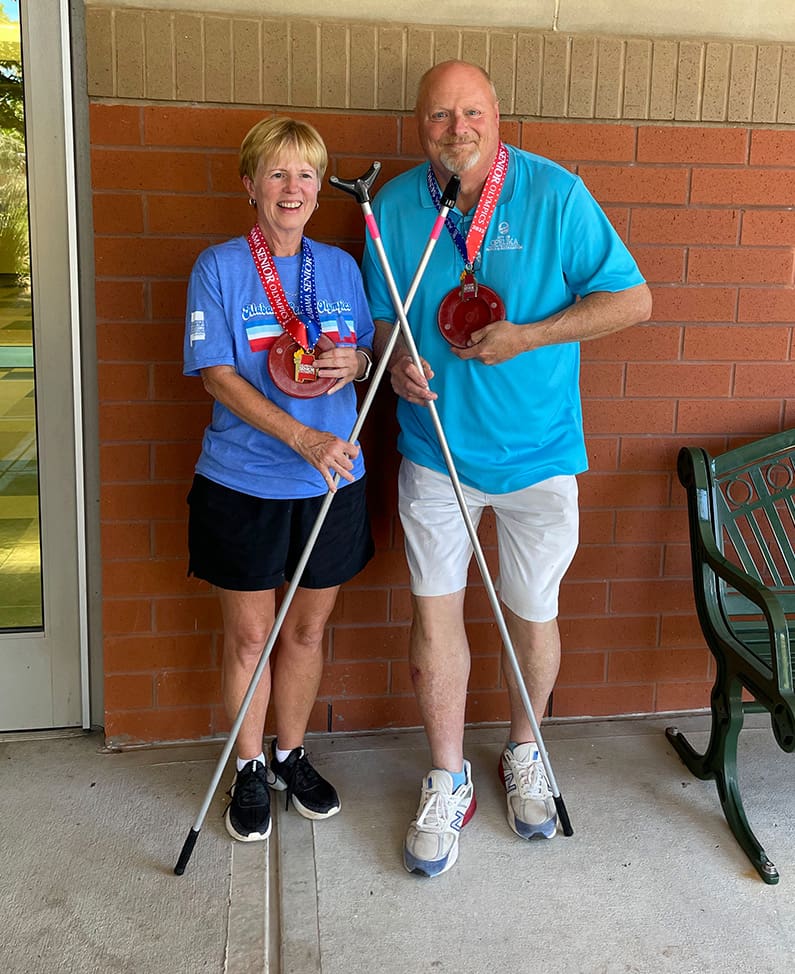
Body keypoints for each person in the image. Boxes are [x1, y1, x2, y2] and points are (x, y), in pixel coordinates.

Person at [361, 60, 652, 878]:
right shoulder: (393, 206)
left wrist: (528, 335)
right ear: (419, 125)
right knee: (434, 618)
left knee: (532, 613)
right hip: (435, 450)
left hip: (538, 454)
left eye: (470, 113)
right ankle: (446, 776)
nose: (455, 129)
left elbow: (632, 300)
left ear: (496, 114)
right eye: (438, 116)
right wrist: (395, 361)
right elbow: (380, 319)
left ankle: (524, 751)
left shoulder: (556, 195)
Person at [183, 116, 375, 843]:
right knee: (249, 639)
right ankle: (248, 767)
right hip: (243, 483)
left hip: (331, 483)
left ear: (319, 188)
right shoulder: (219, 267)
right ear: (250, 185)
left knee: (307, 630)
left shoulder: (340, 268)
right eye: (276, 173)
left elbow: (364, 352)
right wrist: (300, 436)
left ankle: (290, 754)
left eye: (305, 174)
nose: (292, 188)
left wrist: (355, 363)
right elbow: (216, 375)